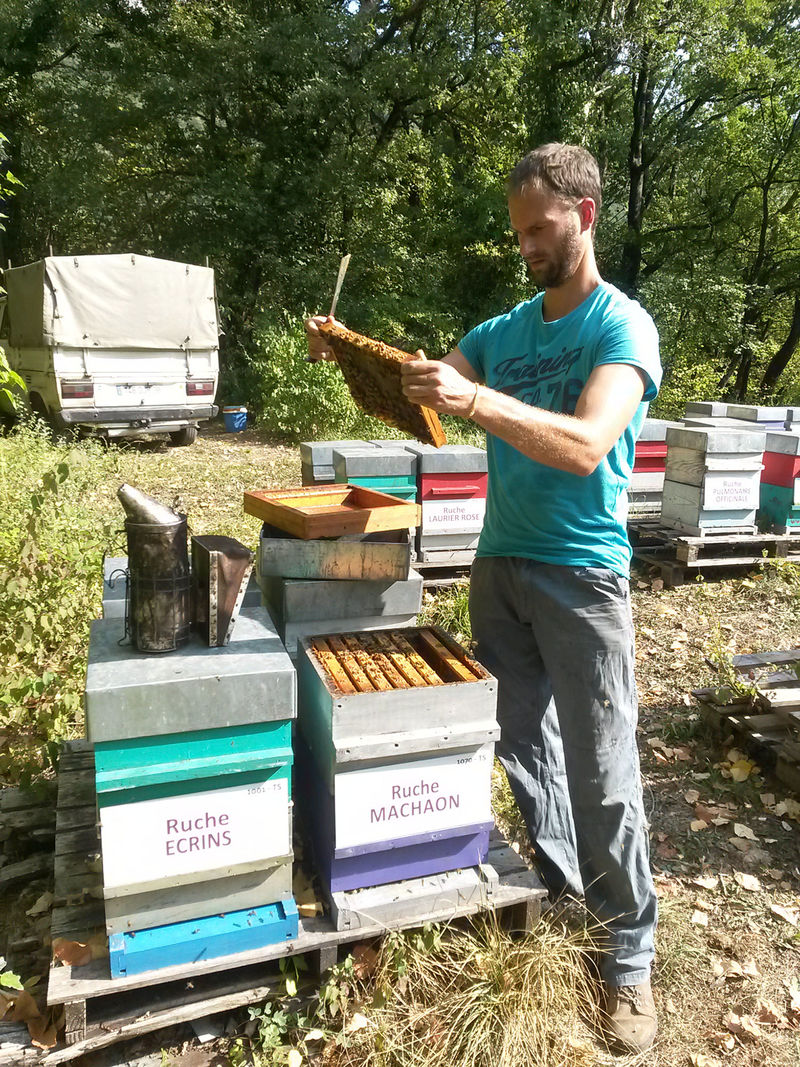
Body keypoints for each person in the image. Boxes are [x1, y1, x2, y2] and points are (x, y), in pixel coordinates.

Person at [305, 142, 661, 1054]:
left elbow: (586, 444)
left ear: (585, 215)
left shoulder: (623, 328)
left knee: (602, 768)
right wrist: (350, 352)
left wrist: (473, 401)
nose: (527, 247)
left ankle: (629, 954)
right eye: (518, 234)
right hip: (499, 568)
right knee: (522, 747)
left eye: (540, 229)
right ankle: (564, 886)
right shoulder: (504, 330)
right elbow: (421, 391)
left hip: (582, 574)